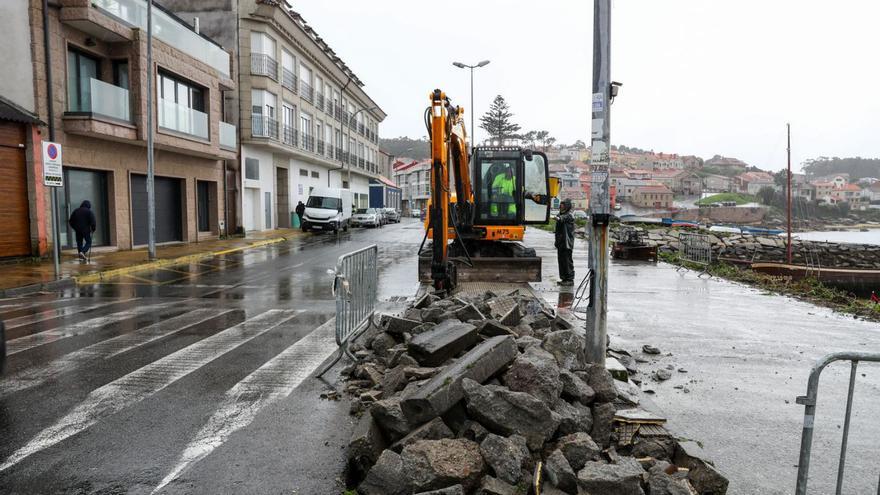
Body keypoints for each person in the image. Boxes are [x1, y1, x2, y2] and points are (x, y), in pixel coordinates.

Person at [555, 198, 575, 285]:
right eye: (561, 204)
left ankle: (569, 279)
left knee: (567, 261)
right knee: (561, 261)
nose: (561, 206)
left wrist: (558, 218)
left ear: (567, 206)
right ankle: (564, 278)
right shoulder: (560, 214)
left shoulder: (569, 215)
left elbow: (562, 218)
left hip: (567, 242)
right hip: (561, 242)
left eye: (563, 204)